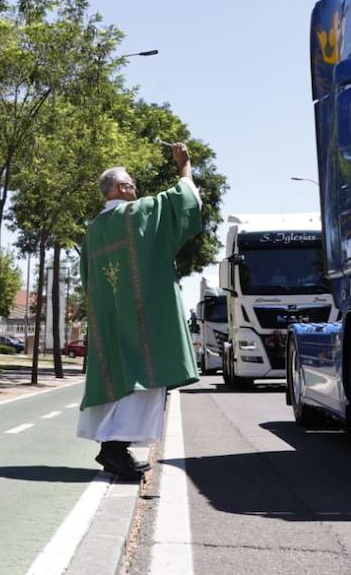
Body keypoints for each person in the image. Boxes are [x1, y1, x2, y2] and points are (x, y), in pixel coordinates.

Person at [77, 143, 202, 481]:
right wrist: (184, 165)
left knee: (121, 378)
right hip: (142, 317)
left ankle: (115, 446)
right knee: (145, 377)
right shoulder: (138, 214)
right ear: (119, 188)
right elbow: (183, 200)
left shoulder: (93, 231)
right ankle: (115, 449)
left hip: (110, 319)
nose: (135, 186)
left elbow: (87, 278)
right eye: (130, 182)